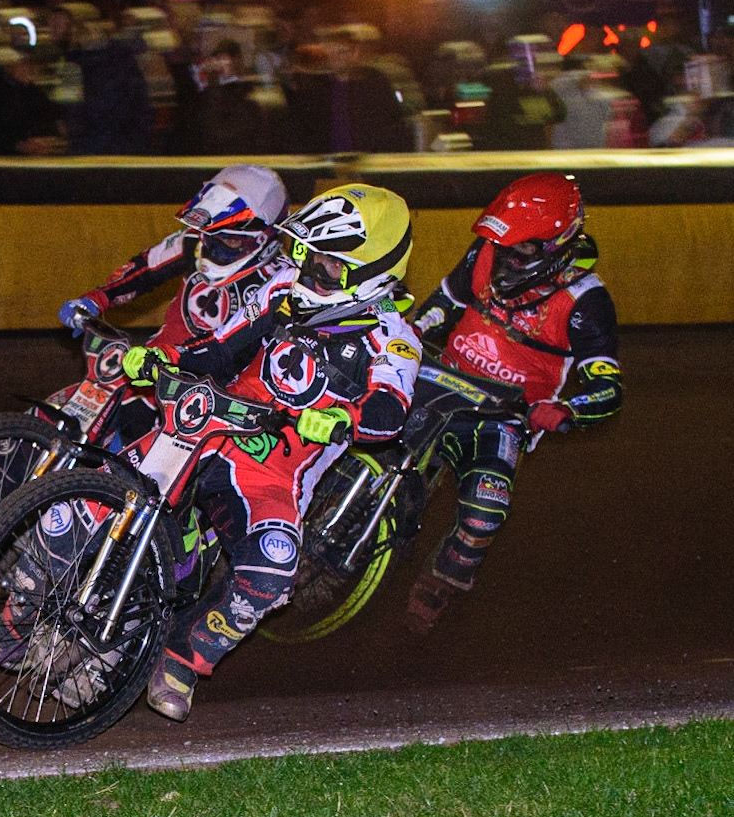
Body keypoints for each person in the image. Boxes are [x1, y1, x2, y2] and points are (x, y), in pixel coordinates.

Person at [115, 184, 421, 720]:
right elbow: (223, 346)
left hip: (272, 473)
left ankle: (183, 660)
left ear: (373, 273)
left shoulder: (393, 339)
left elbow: (389, 412)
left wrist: (343, 418)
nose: (309, 269)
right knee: (103, 493)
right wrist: (162, 361)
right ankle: (17, 612)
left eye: (328, 263)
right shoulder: (283, 290)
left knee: (274, 569)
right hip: (206, 429)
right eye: (308, 253)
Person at [404, 172, 621, 631]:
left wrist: (569, 409)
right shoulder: (484, 250)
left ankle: (441, 581)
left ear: (556, 244)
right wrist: (412, 332)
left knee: (485, 513)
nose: (503, 257)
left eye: (520, 249)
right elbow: (446, 301)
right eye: (502, 244)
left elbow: (608, 386)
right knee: (356, 431)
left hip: (501, 416)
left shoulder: (587, 301)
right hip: (439, 377)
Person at [55, 164, 292, 448]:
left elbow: (249, 348)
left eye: (229, 239)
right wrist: (97, 298)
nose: (216, 247)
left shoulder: (280, 279)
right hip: (147, 367)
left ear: (264, 238)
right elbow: (143, 270)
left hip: (211, 393)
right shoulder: (193, 241)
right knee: (80, 416)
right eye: (213, 234)